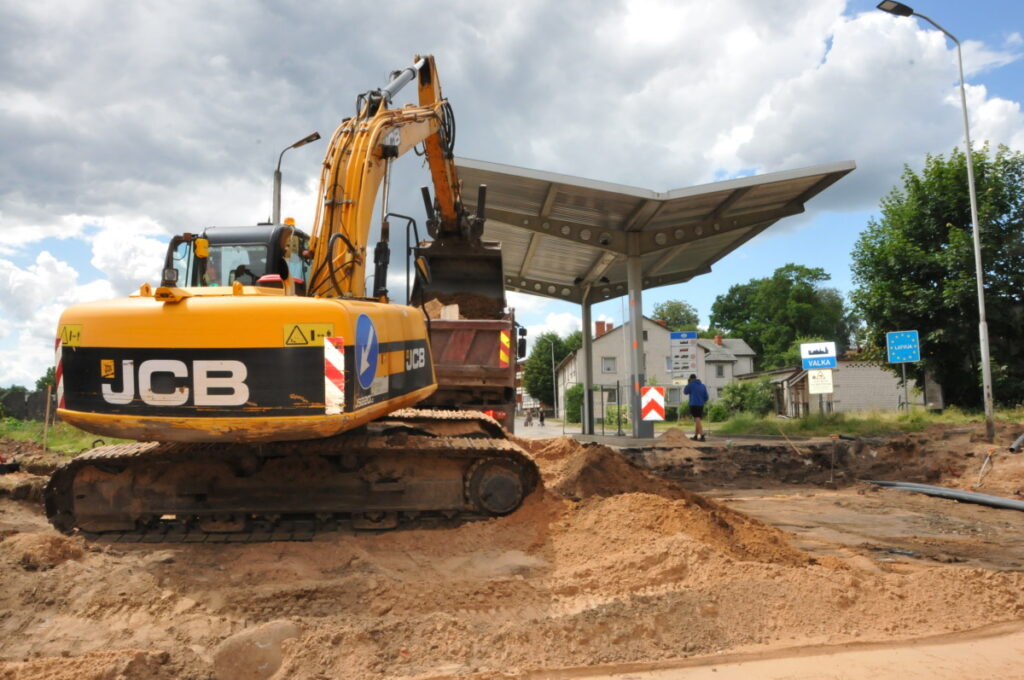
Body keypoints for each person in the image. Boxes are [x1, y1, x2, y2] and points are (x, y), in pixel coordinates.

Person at [683, 373, 709, 441]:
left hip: (694, 404)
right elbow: (706, 397)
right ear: (696, 378)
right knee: (698, 420)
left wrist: (688, 383)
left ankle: (702, 436)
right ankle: (696, 436)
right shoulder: (703, 386)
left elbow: (685, 392)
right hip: (701, 405)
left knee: (697, 419)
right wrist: (701, 401)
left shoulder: (691, 385)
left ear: (691, 379)